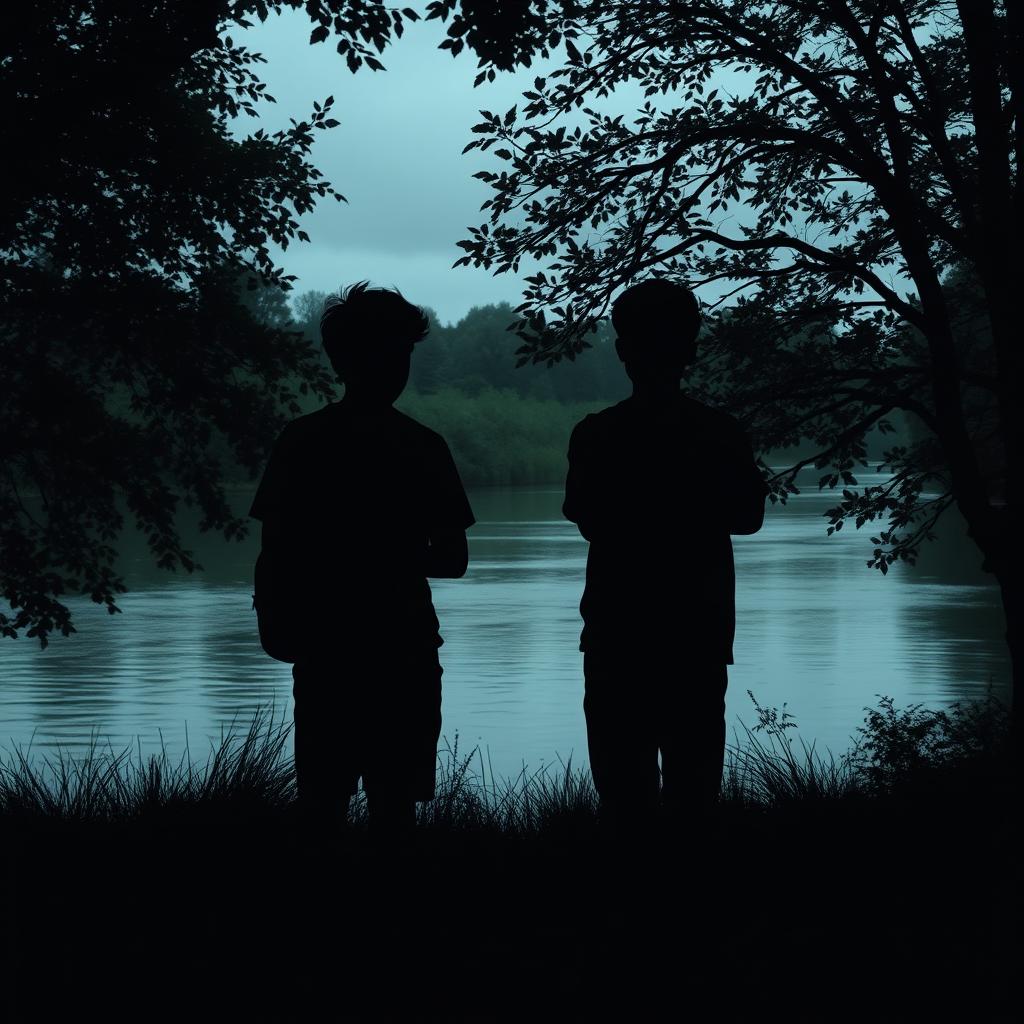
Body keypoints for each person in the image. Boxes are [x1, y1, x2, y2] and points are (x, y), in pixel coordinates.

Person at [250, 282, 475, 836]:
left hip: (326, 648)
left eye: (402, 353)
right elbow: (452, 560)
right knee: (394, 807)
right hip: (403, 649)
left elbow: (273, 550)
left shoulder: (302, 441)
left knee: (321, 801)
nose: (398, 366)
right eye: (396, 352)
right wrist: (393, 554)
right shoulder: (424, 447)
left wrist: (276, 622)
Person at [562, 279, 767, 828]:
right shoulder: (720, 432)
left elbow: (586, 521)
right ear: (691, 349)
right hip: (697, 633)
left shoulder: (597, 435)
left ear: (623, 349)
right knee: (694, 795)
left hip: (617, 633)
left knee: (623, 795)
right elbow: (747, 519)